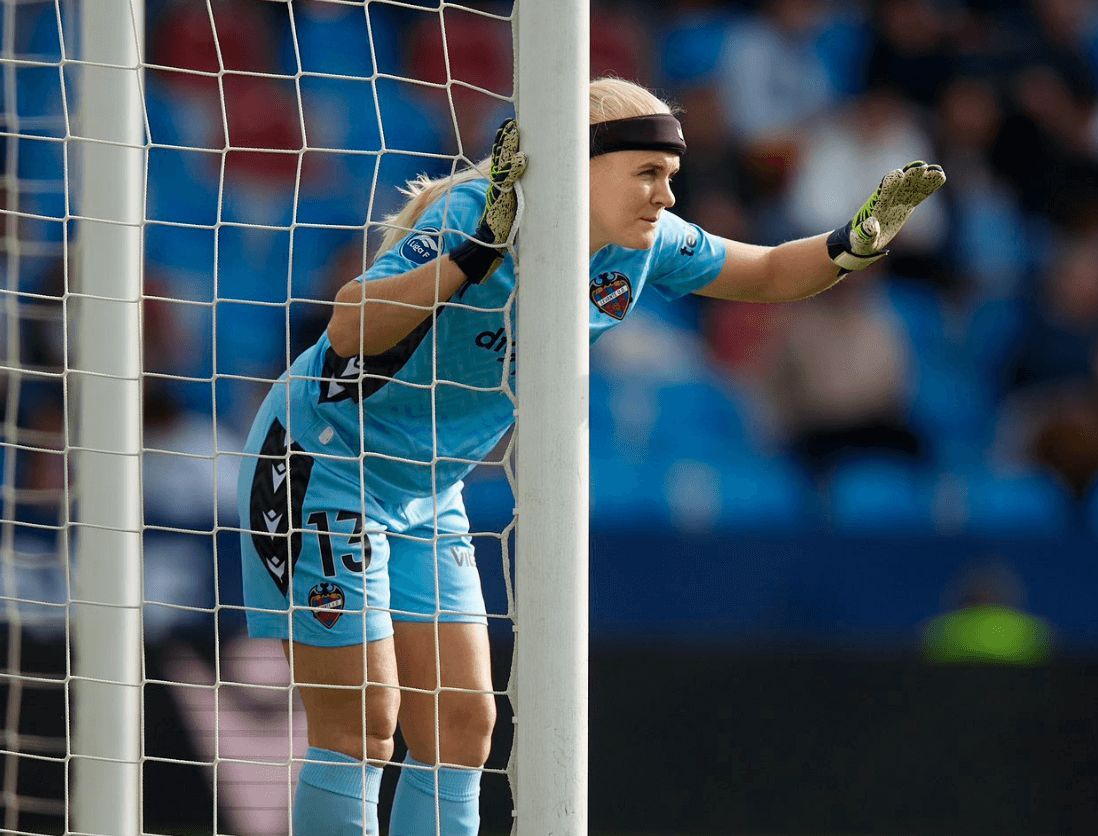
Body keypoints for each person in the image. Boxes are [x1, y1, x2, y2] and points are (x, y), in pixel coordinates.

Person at [236, 76, 944, 835]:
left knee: (463, 731)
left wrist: (854, 241)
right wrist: (472, 258)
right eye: (649, 174)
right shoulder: (477, 217)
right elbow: (347, 327)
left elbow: (768, 271)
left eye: (670, 178)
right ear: (581, 166)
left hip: (427, 490)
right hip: (325, 461)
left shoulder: (644, 249)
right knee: (363, 727)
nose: (667, 198)